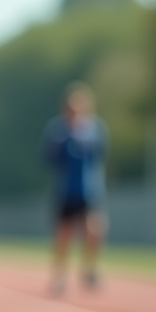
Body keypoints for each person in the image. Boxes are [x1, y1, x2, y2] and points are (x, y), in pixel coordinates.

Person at [42, 82, 108, 295]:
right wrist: (66, 139)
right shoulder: (57, 131)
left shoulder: (95, 129)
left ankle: (89, 267)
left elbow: (102, 155)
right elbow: (49, 159)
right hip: (65, 190)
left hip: (89, 190)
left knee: (94, 229)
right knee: (64, 234)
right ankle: (59, 275)